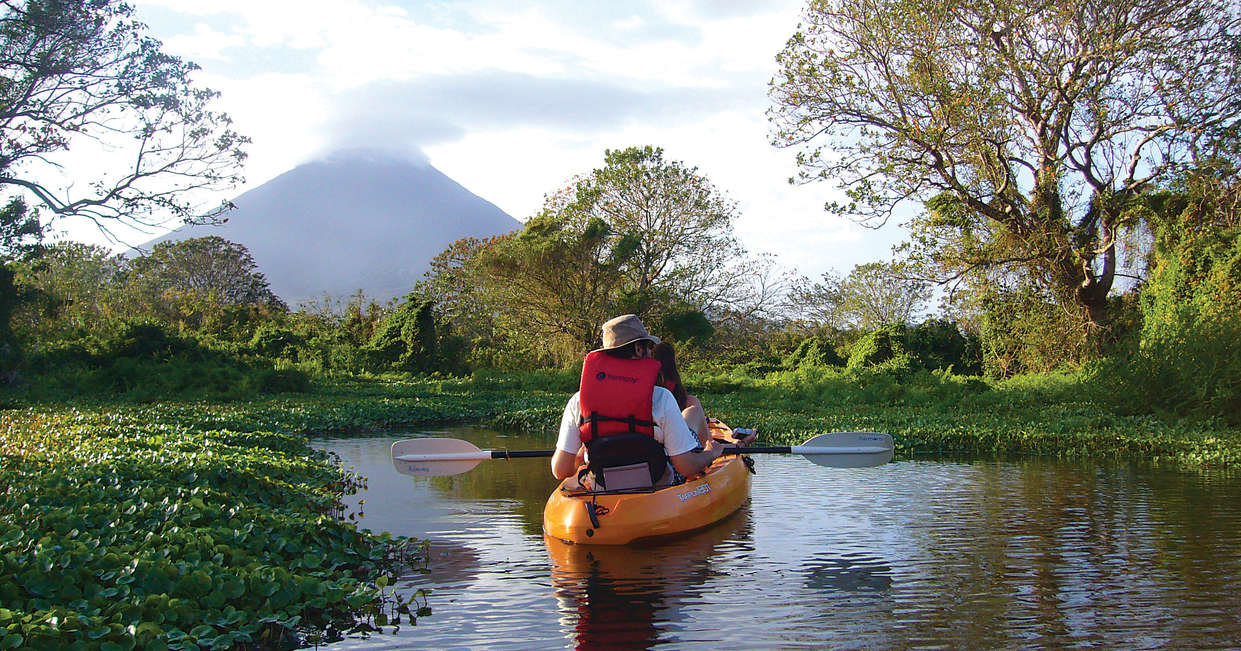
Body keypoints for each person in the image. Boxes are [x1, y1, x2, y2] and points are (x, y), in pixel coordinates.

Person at [551, 314, 725, 485]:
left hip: (603, 486)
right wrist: (711, 453)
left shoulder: (578, 401)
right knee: (692, 413)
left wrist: (580, 459)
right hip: (657, 484)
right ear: (638, 349)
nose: (651, 352)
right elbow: (686, 467)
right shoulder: (661, 397)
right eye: (648, 347)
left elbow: (560, 470)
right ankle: (709, 443)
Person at [652, 341, 758, 448]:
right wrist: (742, 443)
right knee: (694, 409)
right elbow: (710, 447)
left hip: (648, 451)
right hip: (680, 455)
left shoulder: (643, 395)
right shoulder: (689, 403)